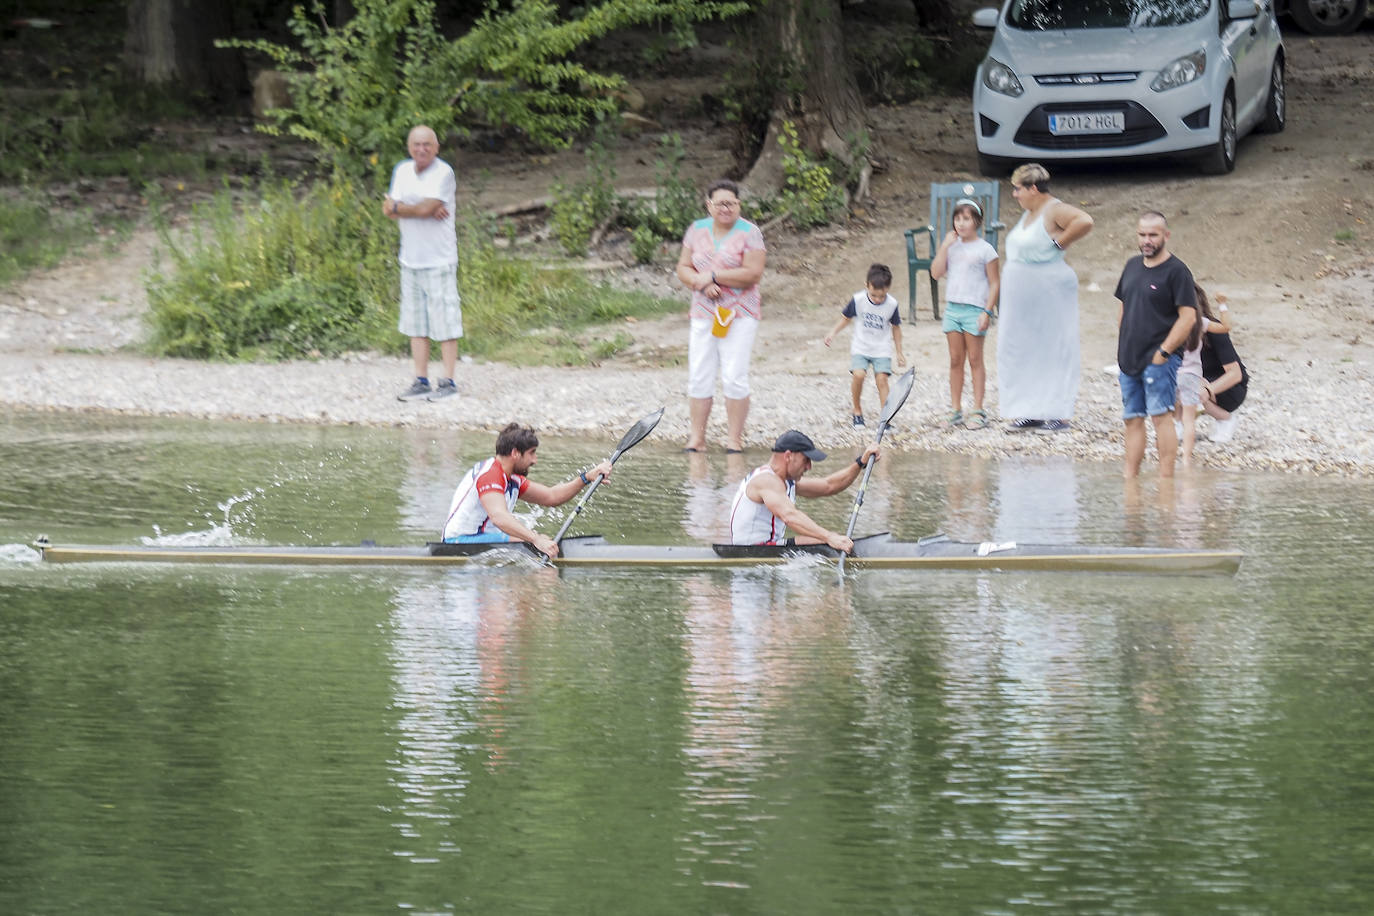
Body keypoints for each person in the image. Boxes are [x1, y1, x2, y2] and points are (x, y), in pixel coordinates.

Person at [997, 163, 1093, 433]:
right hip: (1023, 292)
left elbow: (1085, 221)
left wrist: (1059, 242)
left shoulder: (1053, 209)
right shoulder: (1029, 212)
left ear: (1033, 189)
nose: (1015, 195)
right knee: (1025, 348)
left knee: (1054, 347)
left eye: (1018, 189)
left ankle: (1058, 412)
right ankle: (1030, 409)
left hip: (1048, 288)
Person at [676, 179, 767, 453]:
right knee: (699, 374)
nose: (726, 208)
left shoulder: (750, 232)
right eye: (720, 204)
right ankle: (697, 438)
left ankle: (734, 440)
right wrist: (700, 282)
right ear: (709, 205)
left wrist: (715, 275)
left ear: (739, 205)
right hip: (704, 312)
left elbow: (753, 273)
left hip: (739, 313)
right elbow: (683, 266)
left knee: (734, 374)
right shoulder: (697, 229)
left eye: (731, 203)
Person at [441, 423, 614, 559]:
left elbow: (551, 497)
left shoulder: (511, 478)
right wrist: (535, 539)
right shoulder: (490, 474)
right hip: (458, 542)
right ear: (515, 453)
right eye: (532, 453)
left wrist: (587, 478)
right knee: (534, 543)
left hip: (484, 539)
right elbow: (499, 517)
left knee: (537, 542)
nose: (535, 460)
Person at [1115, 211, 1198, 479]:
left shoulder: (1177, 271)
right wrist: (1123, 343)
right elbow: (1124, 308)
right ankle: (1130, 480)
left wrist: (1163, 353)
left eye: (1153, 234)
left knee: (1160, 416)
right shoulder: (1131, 265)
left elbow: (1189, 317)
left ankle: (1166, 481)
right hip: (1129, 358)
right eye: (1142, 235)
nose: (1147, 240)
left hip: (1159, 359)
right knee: (1132, 419)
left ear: (1166, 235)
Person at [385, 125, 462, 402]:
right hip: (411, 259)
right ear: (409, 146)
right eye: (417, 144)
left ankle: (449, 381)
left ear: (437, 147)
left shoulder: (444, 172)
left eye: (427, 144)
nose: (422, 149)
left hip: (439, 258)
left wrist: (406, 207)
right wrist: (417, 208)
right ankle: (420, 380)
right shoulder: (402, 171)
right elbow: (389, 210)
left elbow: (423, 209)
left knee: (445, 320)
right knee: (415, 321)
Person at [728, 430, 881, 551]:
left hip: (768, 546)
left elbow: (829, 485)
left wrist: (861, 462)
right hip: (750, 551)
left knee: (824, 540)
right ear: (788, 456)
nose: (809, 466)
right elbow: (790, 516)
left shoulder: (784, 481)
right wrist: (829, 537)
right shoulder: (767, 481)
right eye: (805, 460)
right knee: (825, 542)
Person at [930, 198, 1000, 430]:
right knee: (955, 360)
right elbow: (936, 273)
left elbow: (994, 283)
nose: (961, 223)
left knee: (975, 359)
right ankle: (956, 409)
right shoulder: (951, 246)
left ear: (977, 222)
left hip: (975, 310)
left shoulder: (985, 249)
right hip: (953, 309)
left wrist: (987, 311)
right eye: (957, 218)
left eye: (966, 219)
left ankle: (978, 409)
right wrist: (943, 247)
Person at [822, 263, 906, 428]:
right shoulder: (858, 300)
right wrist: (832, 333)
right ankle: (857, 410)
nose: (877, 299)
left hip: (881, 348)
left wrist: (899, 352)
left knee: (882, 379)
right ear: (867, 286)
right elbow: (846, 318)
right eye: (874, 295)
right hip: (861, 346)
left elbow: (896, 328)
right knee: (859, 375)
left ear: (888, 289)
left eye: (881, 296)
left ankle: (885, 418)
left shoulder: (892, 304)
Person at [1176, 288, 1233, 465]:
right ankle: (1186, 458)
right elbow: (1225, 327)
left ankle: (1170, 442)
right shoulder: (1199, 322)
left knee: (1173, 410)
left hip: (1173, 374)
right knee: (1189, 419)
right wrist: (1222, 304)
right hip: (1192, 375)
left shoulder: (1169, 322)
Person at [1199, 294, 1249, 444]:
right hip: (1200, 380)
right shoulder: (1171, 328)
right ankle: (1180, 423)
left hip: (1230, 388)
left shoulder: (1207, 326)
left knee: (1190, 387)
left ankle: (1226, 419)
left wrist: (1207, 390)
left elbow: (1235, 374)